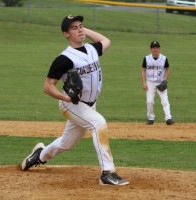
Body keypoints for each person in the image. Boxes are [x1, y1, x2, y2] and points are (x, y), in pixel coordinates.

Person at [19, 15, 129, 186]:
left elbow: (106, 40)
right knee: (98, 124)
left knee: (67, 143)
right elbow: (48, 86)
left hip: (89, 105)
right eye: (74, 28)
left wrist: (84, 30)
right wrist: (66, 98)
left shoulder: (92, 49)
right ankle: (107, 173)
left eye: (81, 26)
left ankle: (39, 155)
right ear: (65, 34)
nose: (79, 30)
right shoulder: (64, 59)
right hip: (72, 105)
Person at [141, 41, 174, 125]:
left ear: (159, 48)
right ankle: (150, 118)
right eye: (153, 47)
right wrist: (144, 83)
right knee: (149, 101)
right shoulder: (146, 58)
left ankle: (168, 118)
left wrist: (165, 79)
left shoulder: (164, 58)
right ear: (151, 49)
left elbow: (168, 68)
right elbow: (143, 70)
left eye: (156, 47)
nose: (155, 49)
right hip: (150, 82)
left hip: (160, 82)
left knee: (165, 100)